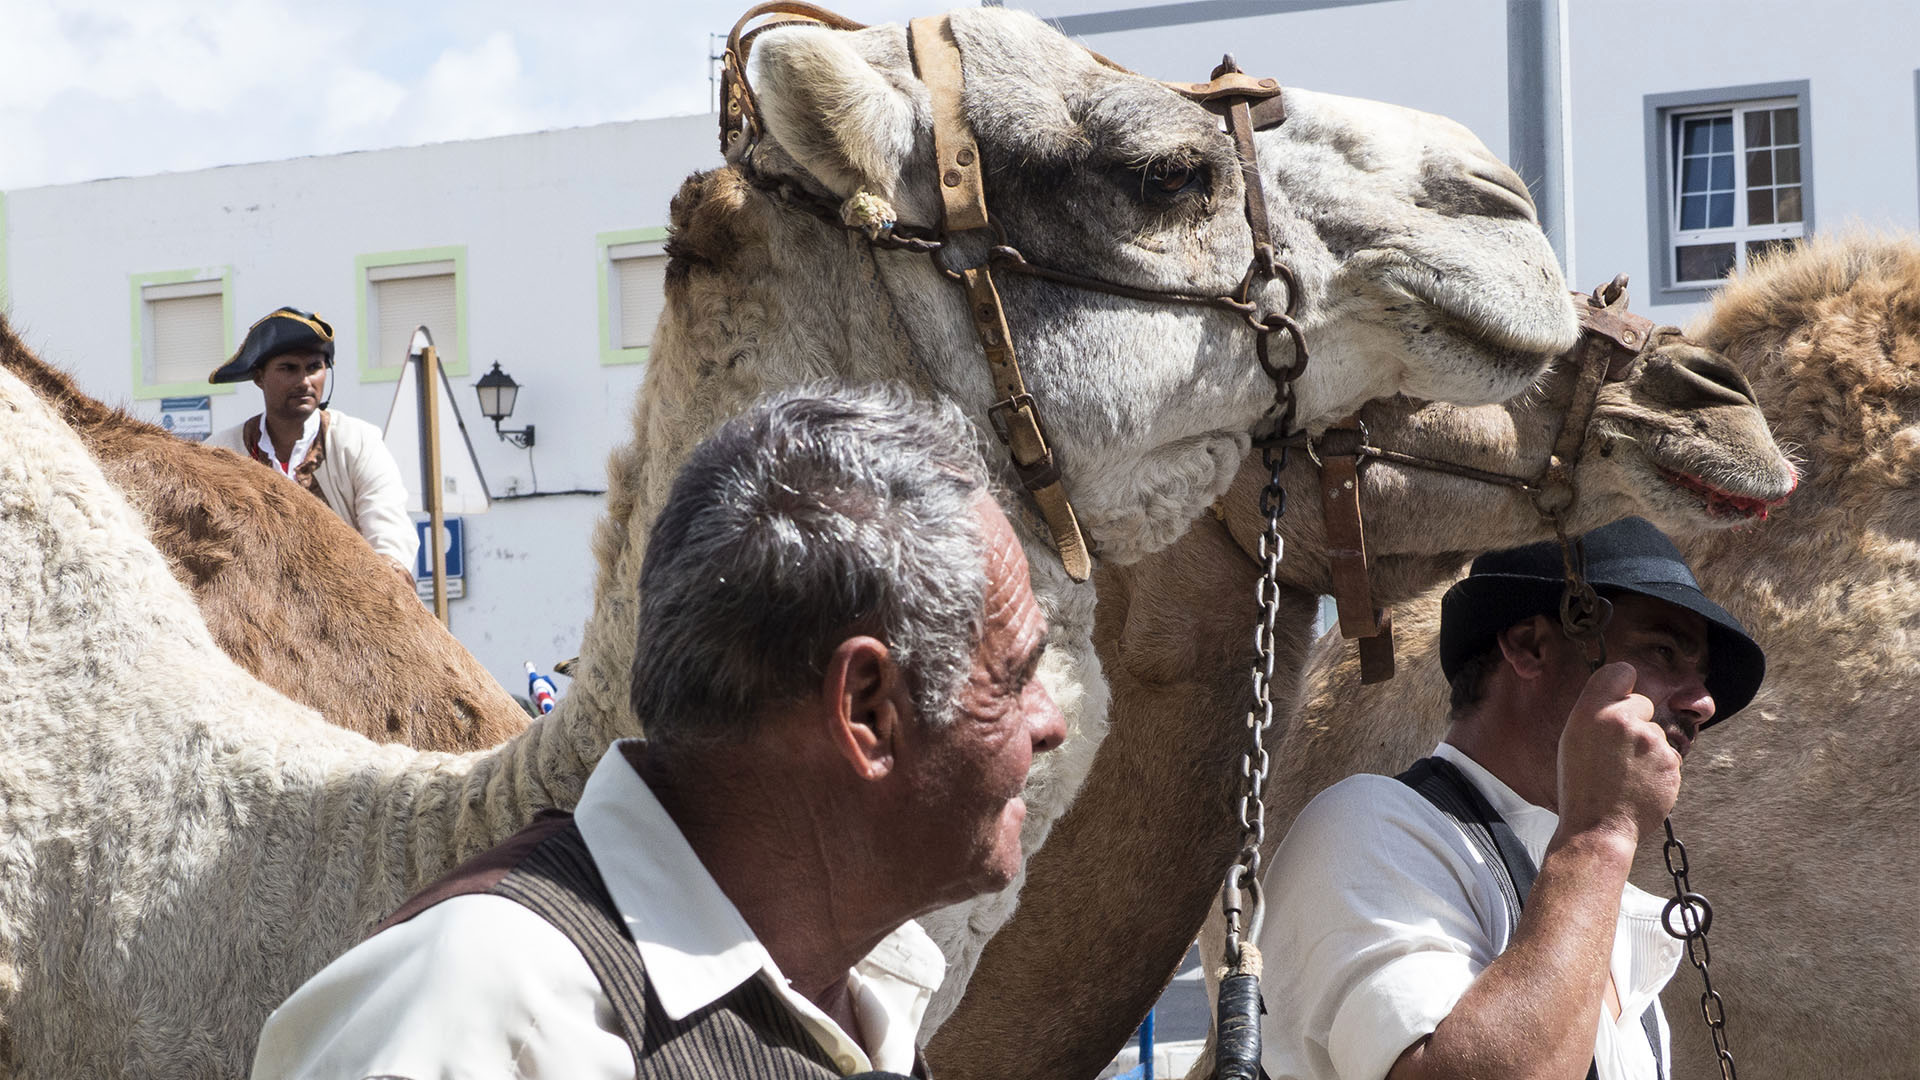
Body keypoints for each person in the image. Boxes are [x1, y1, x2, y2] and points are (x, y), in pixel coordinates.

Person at [250, 383, 1067, 1079]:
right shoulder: (479, 1022)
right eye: (1017, 677)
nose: (1050, 723)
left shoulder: (865, 987)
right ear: (865, 710)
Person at [1255, 516, 1766, 1080]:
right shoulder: (1365, 827)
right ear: (1529, 647)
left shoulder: (1589, 901)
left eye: (1702, 676)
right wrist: (1601, 834)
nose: (1702, 703)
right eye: (1664, 650)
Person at [207, 306, 418, 581]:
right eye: (289, 368)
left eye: (314, 368)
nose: (305, 381)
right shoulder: (222, 452)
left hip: (348, 603)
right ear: (259, 377)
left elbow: (390, 533)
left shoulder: (358, 441)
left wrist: (384, 580)